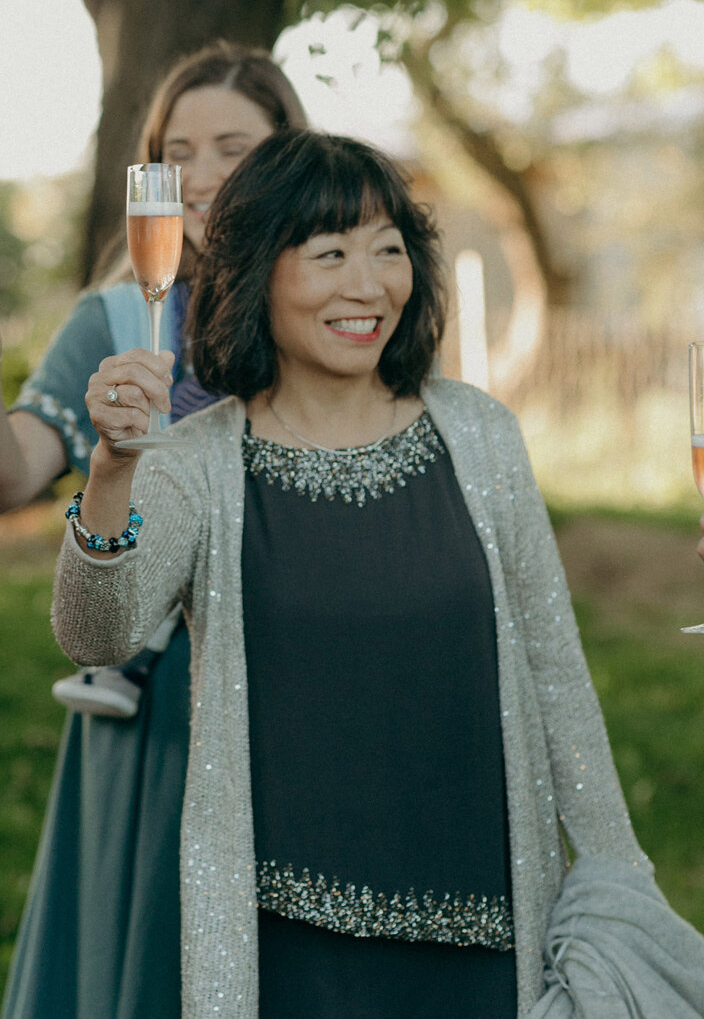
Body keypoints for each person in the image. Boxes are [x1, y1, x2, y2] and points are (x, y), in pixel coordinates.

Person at [55, 130, 676, 1016]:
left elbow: (556, 676)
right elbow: (95, 633)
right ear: (257, 271)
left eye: (390, 251)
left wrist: (620, 885)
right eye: (331, 253)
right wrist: (112, 474)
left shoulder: (482, 436)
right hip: (295, 962)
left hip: (490, 946)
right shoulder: (194, 463)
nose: (368, 284)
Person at [0, 42, 306, 1019]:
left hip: (305, 693)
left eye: (232, 145)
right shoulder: (113, 318)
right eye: (175, 149)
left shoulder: (333, 310)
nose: (200, 172)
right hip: (157, 709)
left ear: (287, 156)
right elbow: (5, 477)